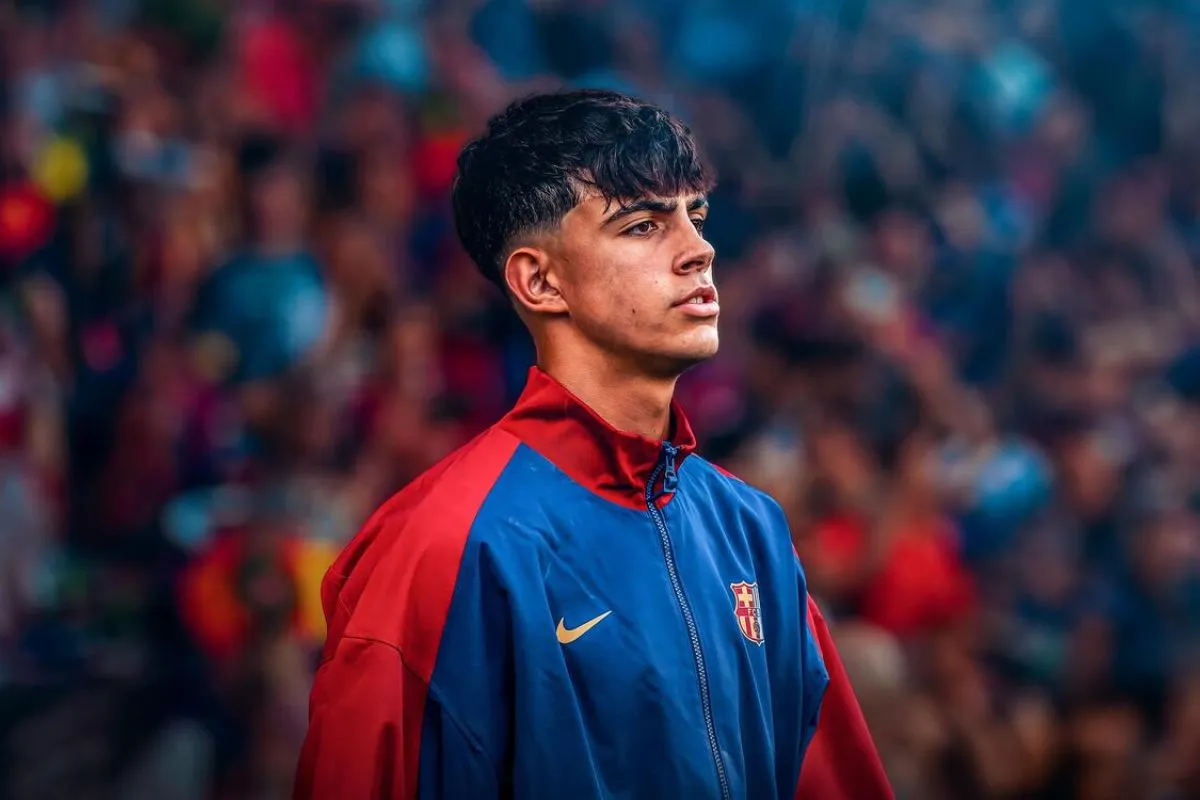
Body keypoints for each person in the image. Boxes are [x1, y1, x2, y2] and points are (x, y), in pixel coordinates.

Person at [294, 89, 892, 800]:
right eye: (642, 226)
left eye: (695, 216)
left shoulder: (751, 529)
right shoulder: (440, 547)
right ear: (540, 280)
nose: (699, 250)